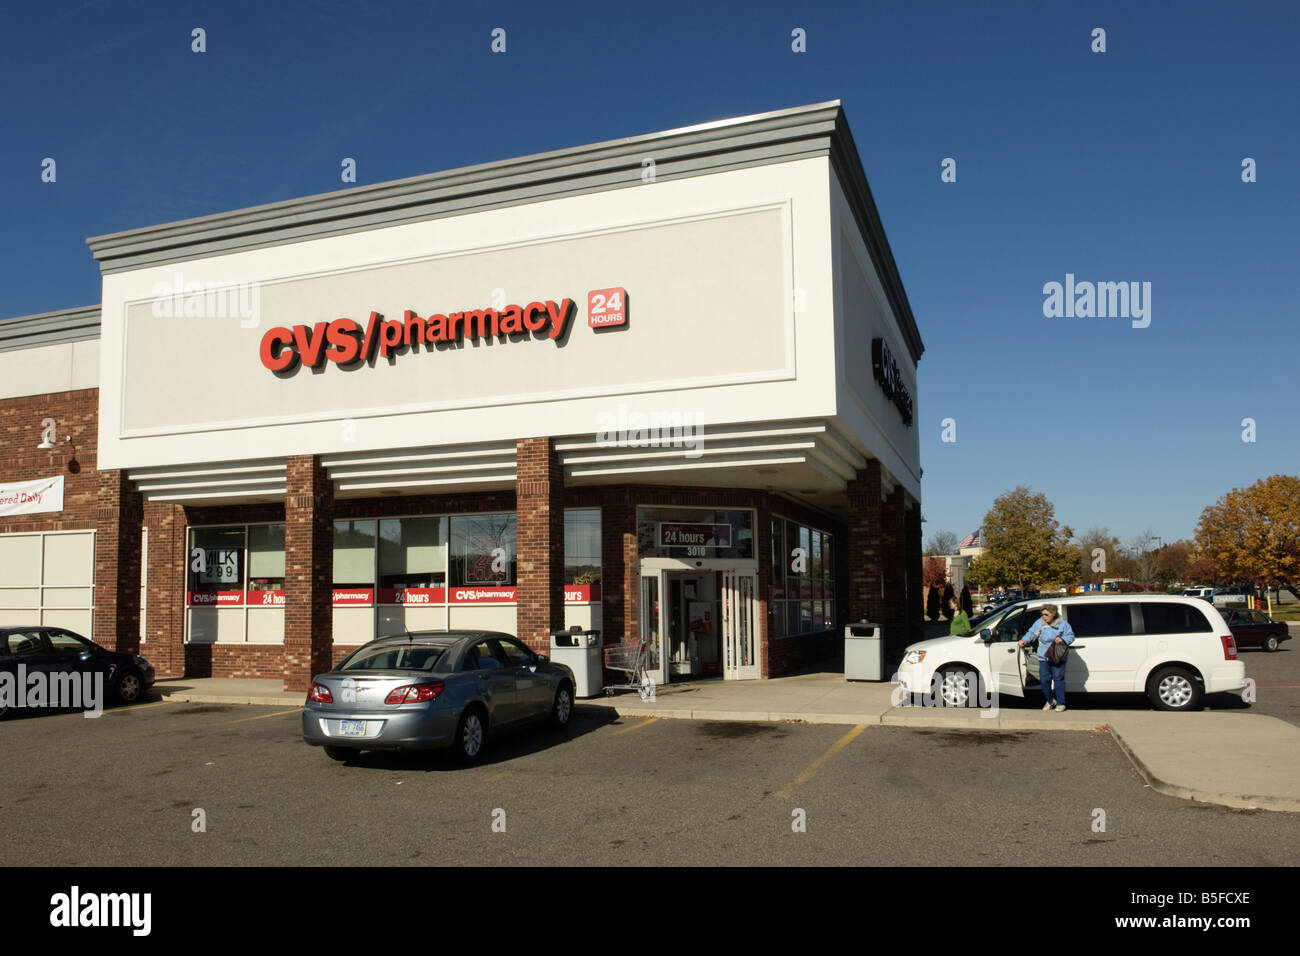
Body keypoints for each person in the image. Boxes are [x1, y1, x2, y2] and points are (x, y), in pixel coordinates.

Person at [1018, 604, 1075, 711]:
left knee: (1058, 678)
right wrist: (1025, 640)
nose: (1044, 617)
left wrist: (1062, 639)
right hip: (1043, 656)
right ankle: (1050, 701)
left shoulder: (1063, 624)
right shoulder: (1039, 623)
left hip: (1057, 655)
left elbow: (1071, 636)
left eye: (1046, 614)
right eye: (1043, 614)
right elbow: (1031, 633)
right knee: (1044, 680)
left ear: (1053, 614)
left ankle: (1061, 703)